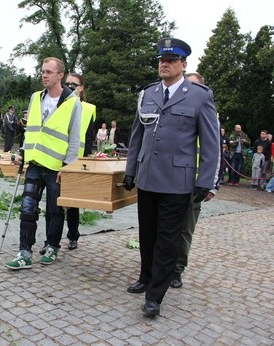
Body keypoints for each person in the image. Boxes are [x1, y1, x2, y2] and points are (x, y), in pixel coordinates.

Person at [123, 38, 220, 317]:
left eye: (171, 60)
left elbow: (212, 143)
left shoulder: (199, 96)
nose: (164, 64)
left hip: (178, 181)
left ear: (183, 64)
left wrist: (207, 181)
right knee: (147, 233)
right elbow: (137, 136)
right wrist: (131, 170)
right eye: (161, 60)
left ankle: (155, 295)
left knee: (168, 239)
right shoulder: (148, 94)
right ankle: (145, 276)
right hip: (148, 177)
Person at [4, 57, 82, 270]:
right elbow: (31, 130)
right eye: (42, 71)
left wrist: (67, 166)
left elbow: (74, 139)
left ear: (60, 75)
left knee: (55, 210)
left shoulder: (72, 102)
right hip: (35, 164)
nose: (44, 75)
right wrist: (21, 152)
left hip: (56, 167)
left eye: (48, 72)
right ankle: (24, 252)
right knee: (28, 208)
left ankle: (52, 246)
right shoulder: (35, 98)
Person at [170, 72, 220, 289]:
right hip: (170, 176)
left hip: (194, 181)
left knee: (184, 228)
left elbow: (213, 150)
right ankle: (157, 265)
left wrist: (211, 183)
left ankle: (177, 269)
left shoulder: (206, 110)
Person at [39, 72, 96, 254]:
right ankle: (50, 240)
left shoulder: (88, 108)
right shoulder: (60, 103)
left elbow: (88, 138)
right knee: (53, 203)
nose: (70, 86)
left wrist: (83, 162)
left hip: (76, 161)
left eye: (74, 84)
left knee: (71, 203)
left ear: (81, 88)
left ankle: (73, 235)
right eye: (68, 83)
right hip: (56, 159)